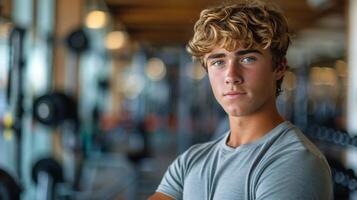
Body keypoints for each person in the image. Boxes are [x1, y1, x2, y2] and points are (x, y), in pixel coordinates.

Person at [149, 0, 333, 199]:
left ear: (279, 67)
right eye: (218, 62)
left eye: (247, 59)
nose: (231, 75)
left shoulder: (296, 161)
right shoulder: (190, 161)